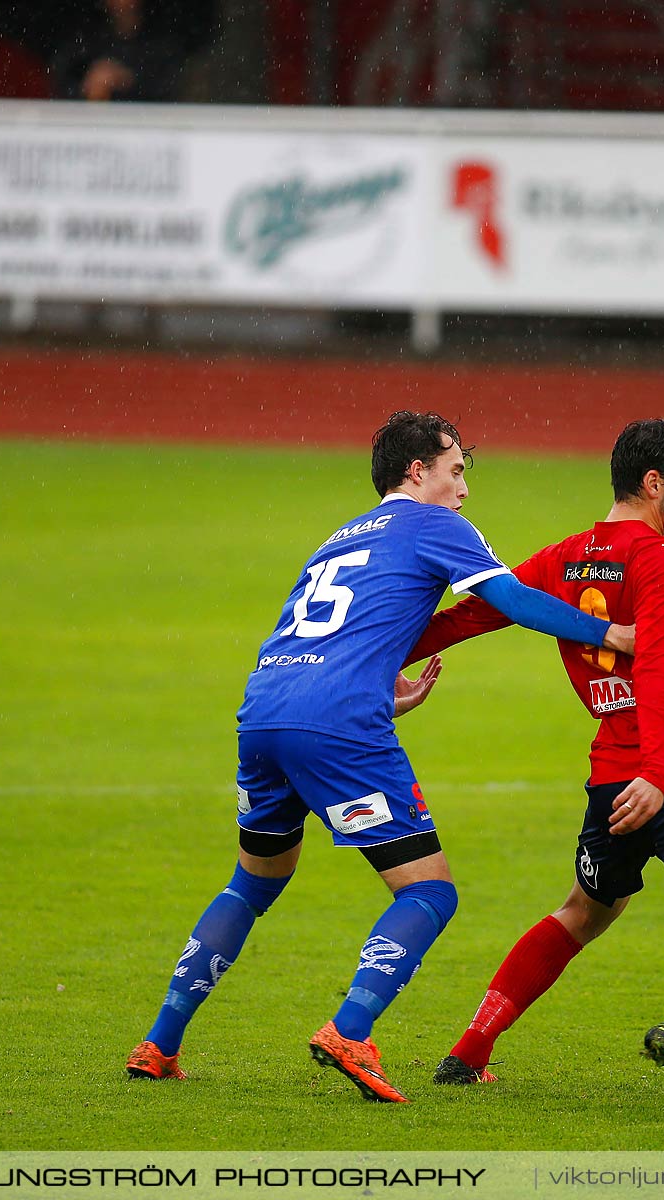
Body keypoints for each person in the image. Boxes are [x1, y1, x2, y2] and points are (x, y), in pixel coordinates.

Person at [125, 411, 636, 1104]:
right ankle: (349, 1029)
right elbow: (511, 599)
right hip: (337, 725)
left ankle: (159, 1042)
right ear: (415, 471)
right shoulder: (437, 527)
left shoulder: (340, 537)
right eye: (455, 471)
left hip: (266, 709)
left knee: (254, 882)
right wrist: (614, 632)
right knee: (429, 891)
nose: (463, 490)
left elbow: (326, 631)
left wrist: (375, 689)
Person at [405, 419, 664, 1120]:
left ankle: (470, 1050)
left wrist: (377, 653)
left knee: (583, 911)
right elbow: (660, 666)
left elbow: (473, 615)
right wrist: (660, 774)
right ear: (653, 483)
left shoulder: (568, 558)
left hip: (611, 780)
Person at [51, 0, 214, 103]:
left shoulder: (162, 40)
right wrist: (89, 85)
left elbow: (172, 87)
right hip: (95, 131)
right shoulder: (85, 39)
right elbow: (61, 83)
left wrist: (124, 79)